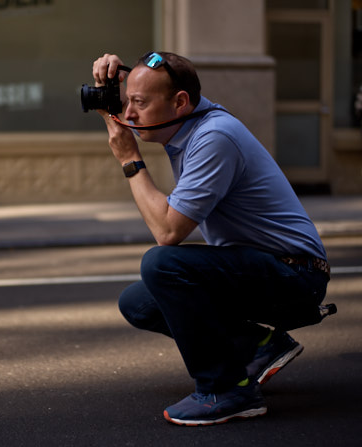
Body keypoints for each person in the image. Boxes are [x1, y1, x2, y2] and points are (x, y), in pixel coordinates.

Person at [90, 51, 330, 426]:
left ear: (181, 102)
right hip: (261, 268)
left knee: (161, 263)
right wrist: (120, 81)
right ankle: (258, 347)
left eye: (139, 103)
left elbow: (167, 231)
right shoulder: (190, 122)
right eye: (126, 102)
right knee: (139, 302)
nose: (129, 115)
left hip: (296, 276)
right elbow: (161, 78)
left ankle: (228, 390)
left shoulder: (214, 136)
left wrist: (129, 159)